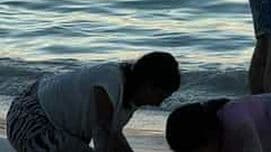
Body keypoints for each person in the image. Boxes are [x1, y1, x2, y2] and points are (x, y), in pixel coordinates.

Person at [7, 51, 180, 152]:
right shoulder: (110, 81)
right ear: (148, 85)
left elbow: (114, 136)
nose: (159, 104)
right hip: (28, 117)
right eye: (161, 96)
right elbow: (102, 132)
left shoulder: (128, 97)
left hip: (47, 118)